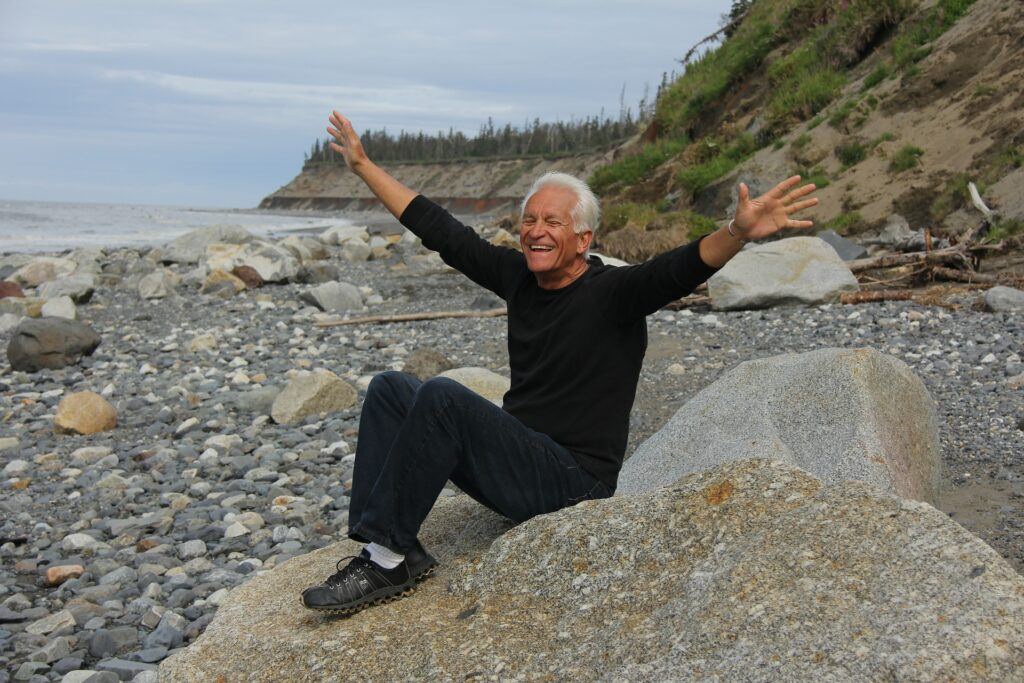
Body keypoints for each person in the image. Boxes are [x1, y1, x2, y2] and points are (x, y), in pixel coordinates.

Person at [301, 110, 819, 615]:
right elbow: (442, 232)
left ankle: (389, 561)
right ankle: (384, 547)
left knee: (442, 395)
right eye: (530, 220)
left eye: (553, 221)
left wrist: (737, 230)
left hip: (575, 483)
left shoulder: (615, 293)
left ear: (584, 239)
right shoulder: (519, 278)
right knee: (392, 387)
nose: (537, 230)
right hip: (522, 463)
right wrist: (364, 167)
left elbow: (677, 269)